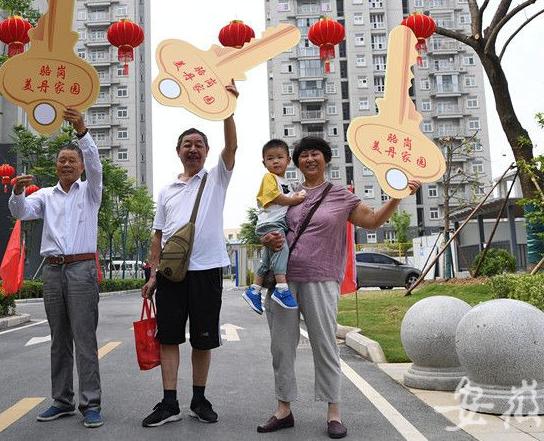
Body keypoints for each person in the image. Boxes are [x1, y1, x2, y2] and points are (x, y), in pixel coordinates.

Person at [256, 136, 419, 439]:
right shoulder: (287, 192)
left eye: (315, 153)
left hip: (320, 278)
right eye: (303, 155)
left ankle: (334, 413)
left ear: (326, 159)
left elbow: (371, 221)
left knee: (325, 345)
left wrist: (397, 197)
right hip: (283, 281)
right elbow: (269, 227)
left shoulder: (340, 195)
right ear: (297, 162)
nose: (309, 159)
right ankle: (283, 410)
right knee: (281, 347)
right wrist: (267, 239)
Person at [140, 84, 239, 428]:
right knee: (168, 337)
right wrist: (152, 275)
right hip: (169, 275)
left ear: (206, 151)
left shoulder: (216, 179)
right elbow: (158, 236)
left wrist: (228, 107)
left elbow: (233, 146)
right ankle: (170, 403)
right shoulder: (167, 189)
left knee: (202, 338)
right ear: (178, 151)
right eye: (187, 145)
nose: (193, 149)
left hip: (207, 270)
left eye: (199, 145)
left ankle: (199, 399)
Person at [8, 107, 104, 429]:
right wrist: (17, 191)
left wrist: (82, 132)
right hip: (52, 271)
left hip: (81, 271)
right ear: (56, 166)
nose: (66, 164)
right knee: (58, 339)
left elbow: (96, 163)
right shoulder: (46, 196)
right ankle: (62, 400)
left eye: (71, 161)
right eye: (61, 160)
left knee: (84, 338)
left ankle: (90, 404)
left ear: (80, 167)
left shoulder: (91, 193)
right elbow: (20, 212)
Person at [242, 139, 305, 314]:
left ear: (288, 160)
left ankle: (254, 289)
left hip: (276, 223)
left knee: (269, 258)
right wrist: (295, 199)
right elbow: (276, 197)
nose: (275, 161)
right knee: (280, 249)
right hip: (270, 223)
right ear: (264, 163)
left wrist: (297, 194)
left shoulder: (285, 182)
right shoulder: (269, 178)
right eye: (270, 158)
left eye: (279, 157)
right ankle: (282, 288)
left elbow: (289, 198)